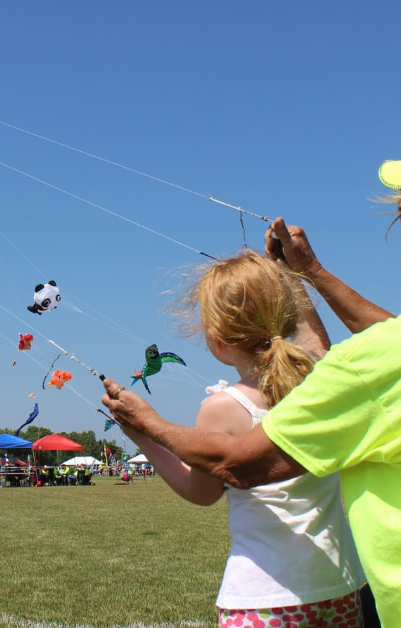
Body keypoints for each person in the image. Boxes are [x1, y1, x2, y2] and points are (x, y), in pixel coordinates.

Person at [103, 126, 401, 628]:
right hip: (346, 591)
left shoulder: (396, 354)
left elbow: (239, 466)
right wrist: (308, 274)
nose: (399, 219)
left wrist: (146, 425)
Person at [123, 250, 366, 627]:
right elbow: (317, 344)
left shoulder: (223, 407)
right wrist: (289, 273)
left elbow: (201, 492)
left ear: (217, 340)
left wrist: (144, 436)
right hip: (340, 589)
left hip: (264, 599)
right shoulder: (318, 381)